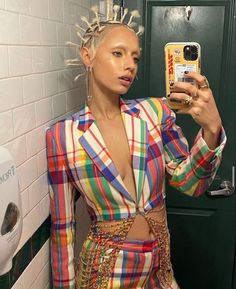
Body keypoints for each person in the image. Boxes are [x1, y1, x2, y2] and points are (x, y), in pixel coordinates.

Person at [46, 4, 226, 289]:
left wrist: (212, 129)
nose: (130, 64)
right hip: (104, 274)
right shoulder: (62, 136)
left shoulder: (155, 113)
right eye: (117, 53)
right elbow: (63, 229)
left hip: (160, 267)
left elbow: (191, 183)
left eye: (135, 57)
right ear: (87, 55)